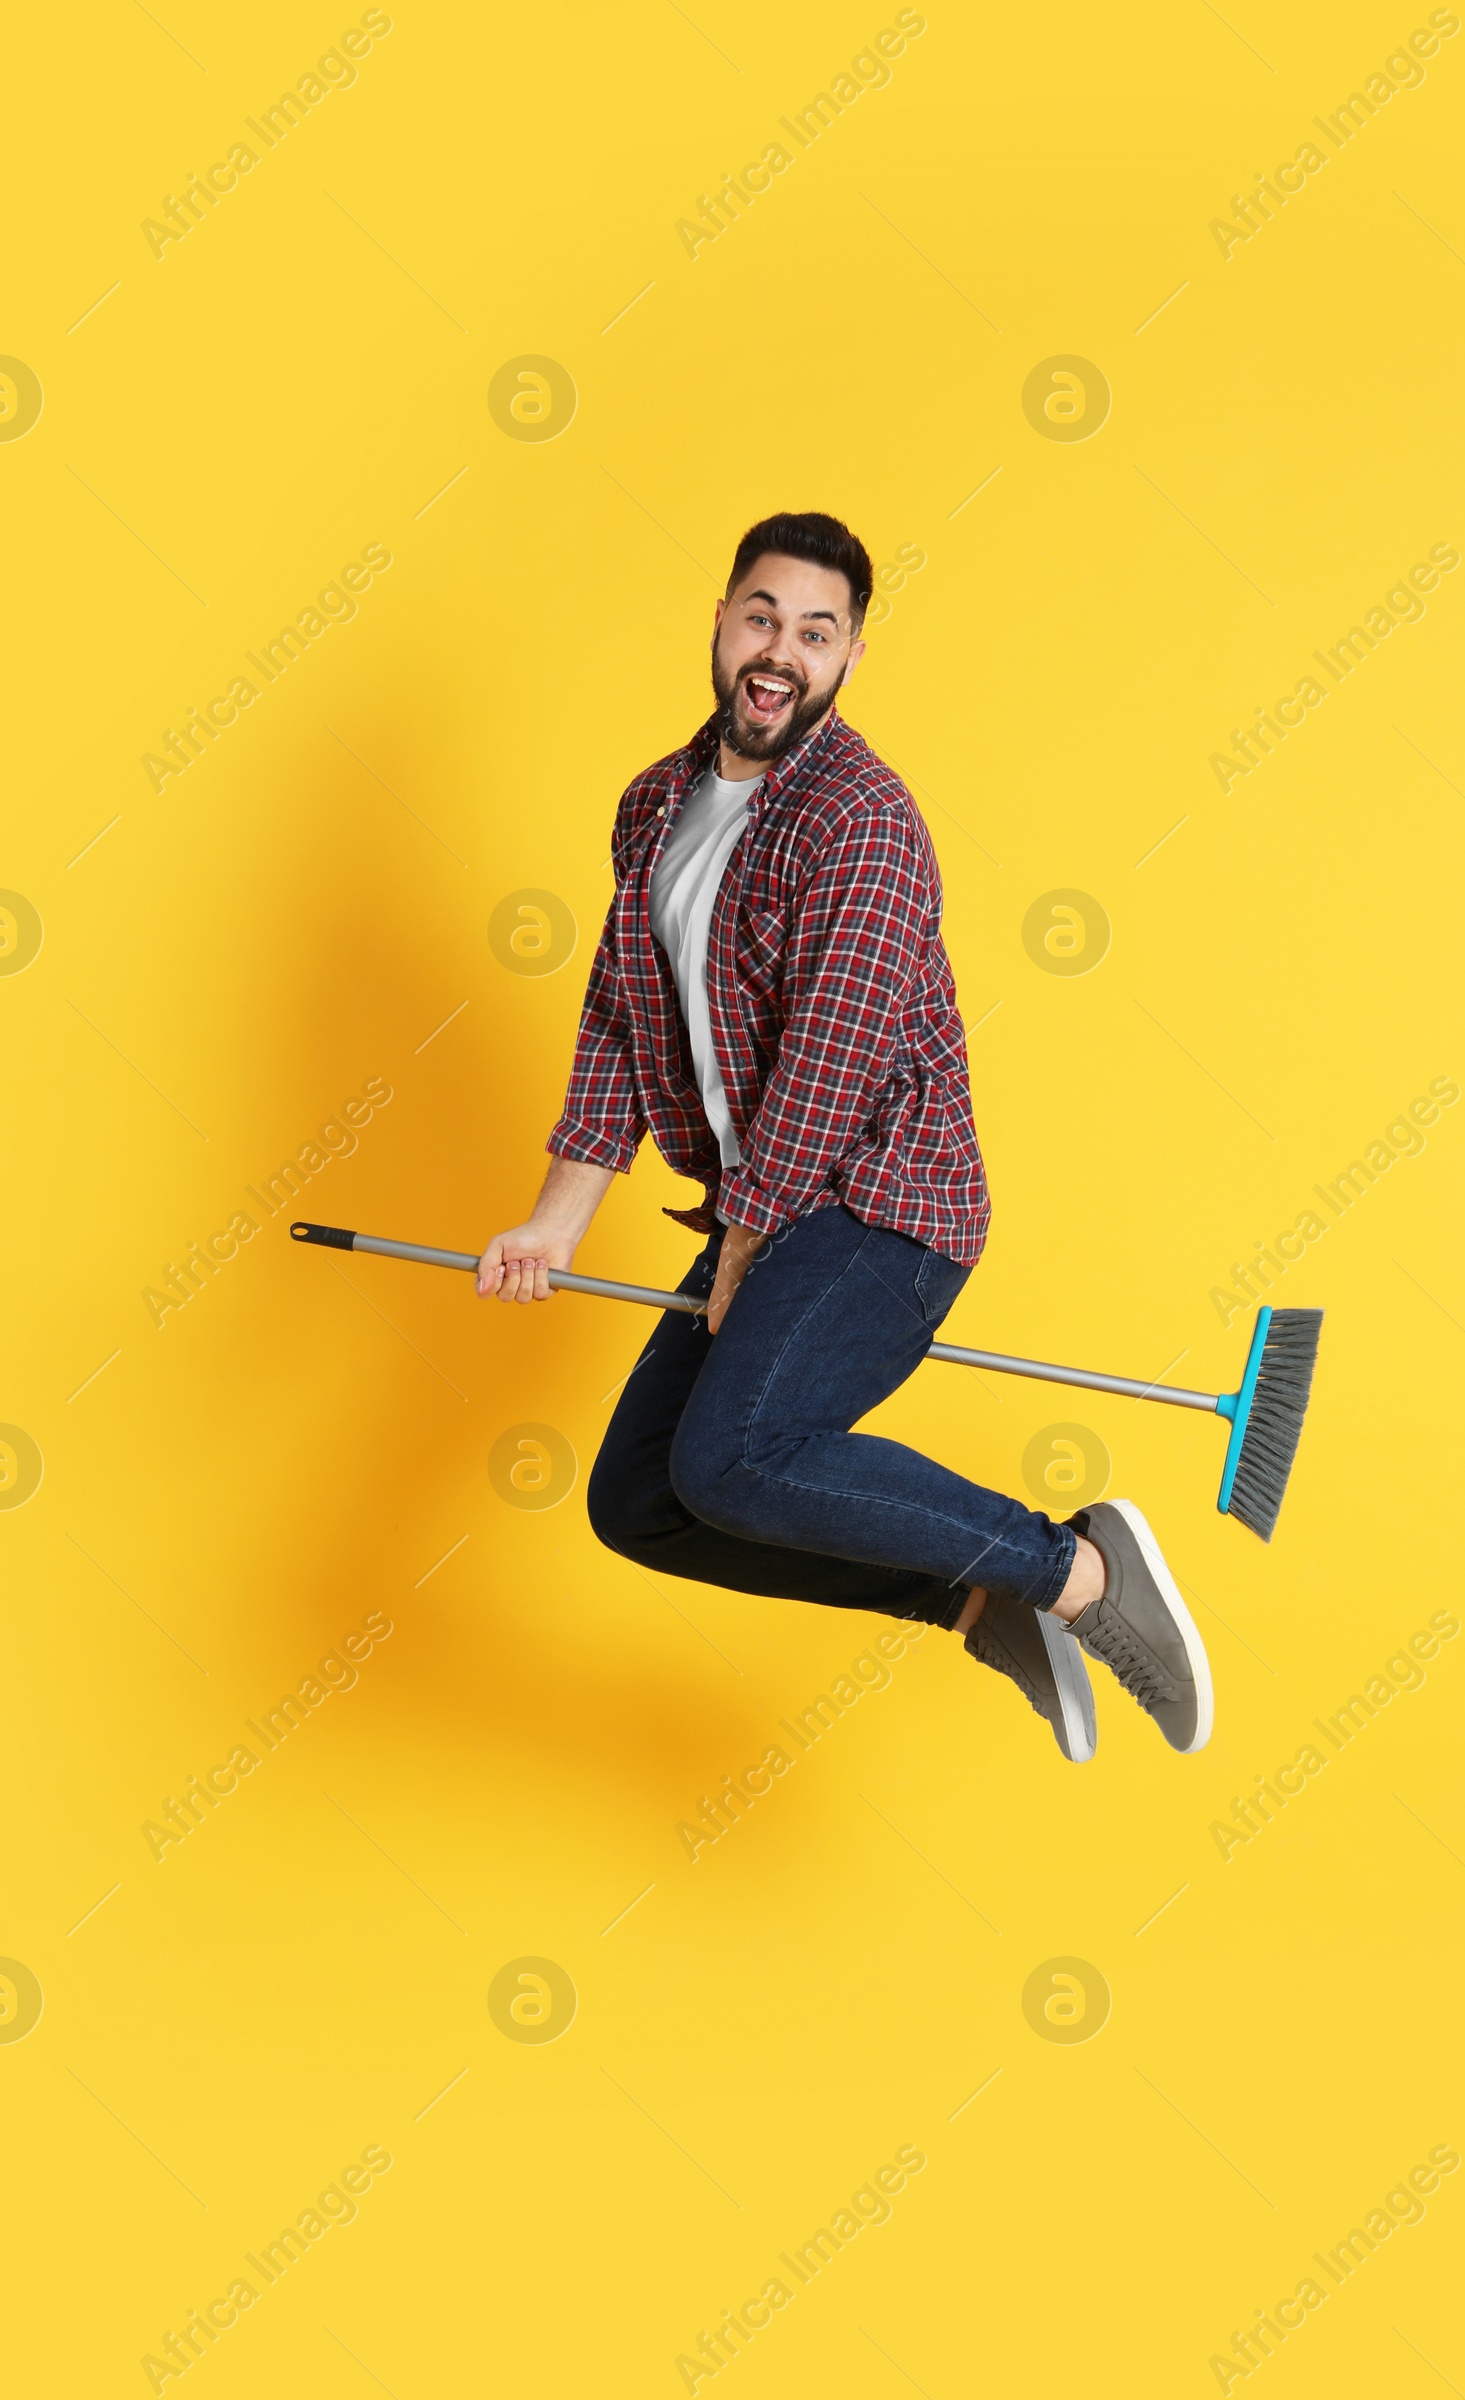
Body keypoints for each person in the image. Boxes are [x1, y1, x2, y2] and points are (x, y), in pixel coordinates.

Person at [476, 512, 1212, 1764]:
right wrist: (555, 1222)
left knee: (740, 1456)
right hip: (771, 1209)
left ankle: (1078, 1573)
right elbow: (617, 1013)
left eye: (815, 634)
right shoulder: (655, 806)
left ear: (849, 657)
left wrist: (747, 1243)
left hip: (883, 1207)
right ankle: (976, 1600)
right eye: (762, 617)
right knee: (639, 1503)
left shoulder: (860, 818)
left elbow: (831, 1057)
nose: (780, 652)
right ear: (720, 618)